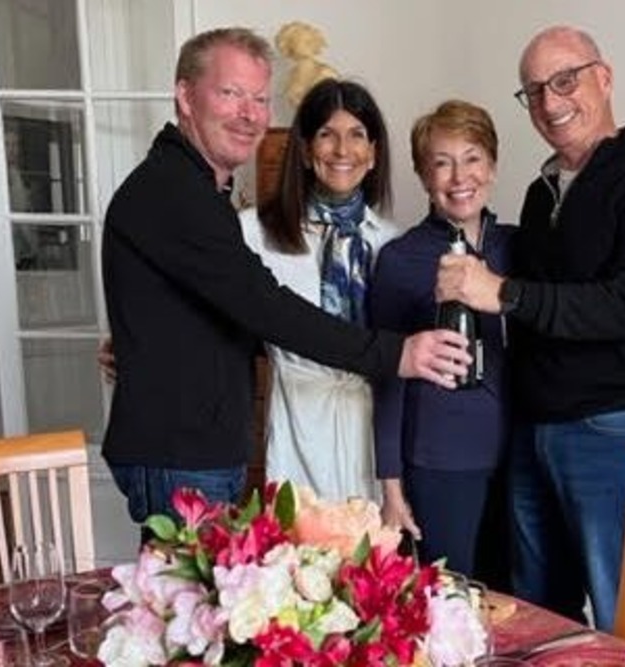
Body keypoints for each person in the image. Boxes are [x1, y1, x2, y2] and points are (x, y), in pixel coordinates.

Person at [101, 27, 469, 532]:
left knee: (204, 600)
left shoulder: (197, 190)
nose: (249, 113)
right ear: (185, 96)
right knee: (186, 602)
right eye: (230, 93)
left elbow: (225, 311)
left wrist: (141, 342)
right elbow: (266, 306)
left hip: (214, 448)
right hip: (187, 452)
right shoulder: (177, 193)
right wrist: (397, 353)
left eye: (258, 98)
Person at [436, 26, 625, 630]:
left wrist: (499, 291)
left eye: (566, 80)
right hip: (534, 433)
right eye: (534, 91)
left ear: (604, 78)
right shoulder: (540, 194)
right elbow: (557, 309)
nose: (551, 102)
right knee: (538, 617)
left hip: (619, 430)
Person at [370, 100, 514, 582]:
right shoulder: (399, 259)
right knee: (451, 600)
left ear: (491, 165)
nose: (459, 177)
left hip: (524, 458)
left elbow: (589, 305)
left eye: (472, 158)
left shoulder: (524, 247)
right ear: (422, 174)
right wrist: (391, 487)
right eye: (441, 162)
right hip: (440, 460)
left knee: (521, 606)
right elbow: (386, 378)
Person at [240, 78, 397, 501]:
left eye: (357, 135)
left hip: (372, 428)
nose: (343, 150)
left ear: (374, 153)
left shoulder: (391, 244)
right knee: (297, 556)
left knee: (372, 559)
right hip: (298, 419)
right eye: (327, 135)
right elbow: (207, 311)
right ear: (307, 151)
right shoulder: (255, 233)